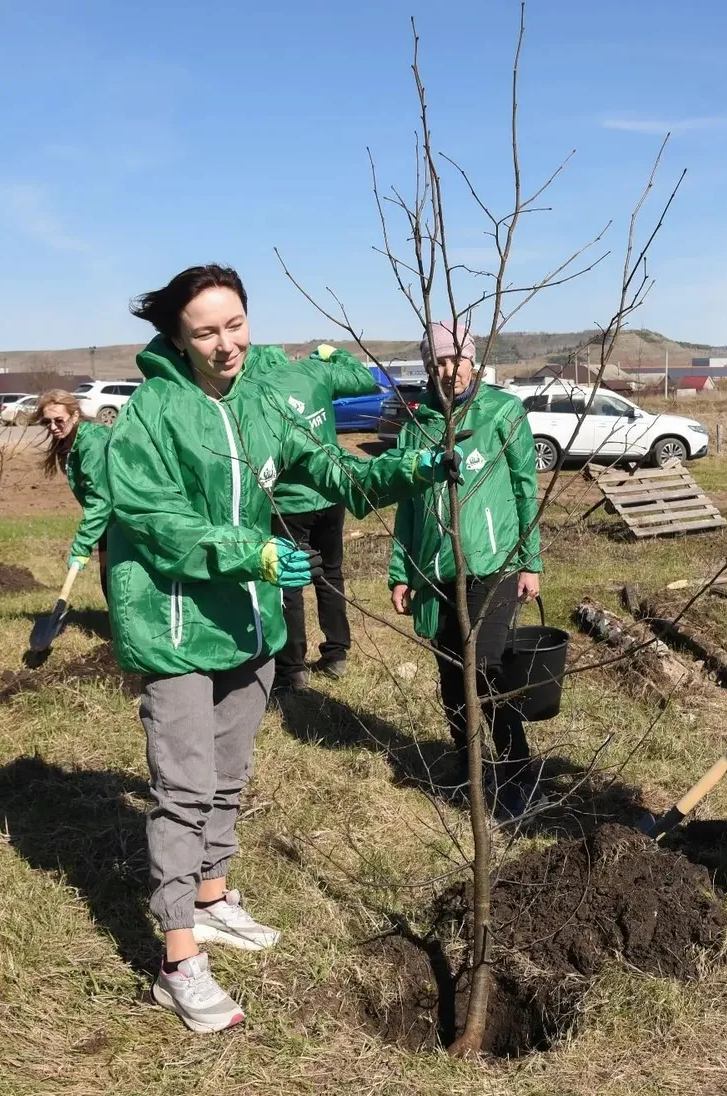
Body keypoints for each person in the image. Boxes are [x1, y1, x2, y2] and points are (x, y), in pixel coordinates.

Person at [107, 264, 461, 1034]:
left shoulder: (264, 401)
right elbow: (157, 523)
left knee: (229, 774)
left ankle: (213, 900)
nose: (226, 343)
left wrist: (416, 468)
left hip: (249, 625)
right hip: (175, 628)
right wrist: (255, 555)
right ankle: (177, 962)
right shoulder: (152, 414)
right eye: (206, 331)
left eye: (235, 324)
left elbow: (334, 474)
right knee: (184, 788)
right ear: (176, 336)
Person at [387, 321, 544, 817]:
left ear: (471, 361)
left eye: (455, 360)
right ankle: (468, 770)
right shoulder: (417, 426)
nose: (447, 370)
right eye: (437, 361)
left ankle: (520, 773)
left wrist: (530, 562)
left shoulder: (503, 411)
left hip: (492, 565)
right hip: (435, 570)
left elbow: (525, 489)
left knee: (486, 670)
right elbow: (406, 504)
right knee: (453, 677)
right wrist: (400, 570)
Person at [263, 345, 379, 693]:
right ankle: (337, 652)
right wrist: (333, 353)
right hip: (330, 492)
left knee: (289, 582)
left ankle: (292, 668)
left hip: (287, 502)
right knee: (331, 573)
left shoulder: (256, 383)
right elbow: (363, 380)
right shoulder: (315, 372)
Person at [34, 389, 112, 603]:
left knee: (119, 579)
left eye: (59, 420)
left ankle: (126, 633)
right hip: (108, 520)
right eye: (46, 422)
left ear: (75, 415)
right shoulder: (69, 443)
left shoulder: (92, 441)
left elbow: (100, 499)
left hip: (125, 517)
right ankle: (114, 629)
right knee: (109, 578)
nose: (52, 427)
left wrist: (82, 546)